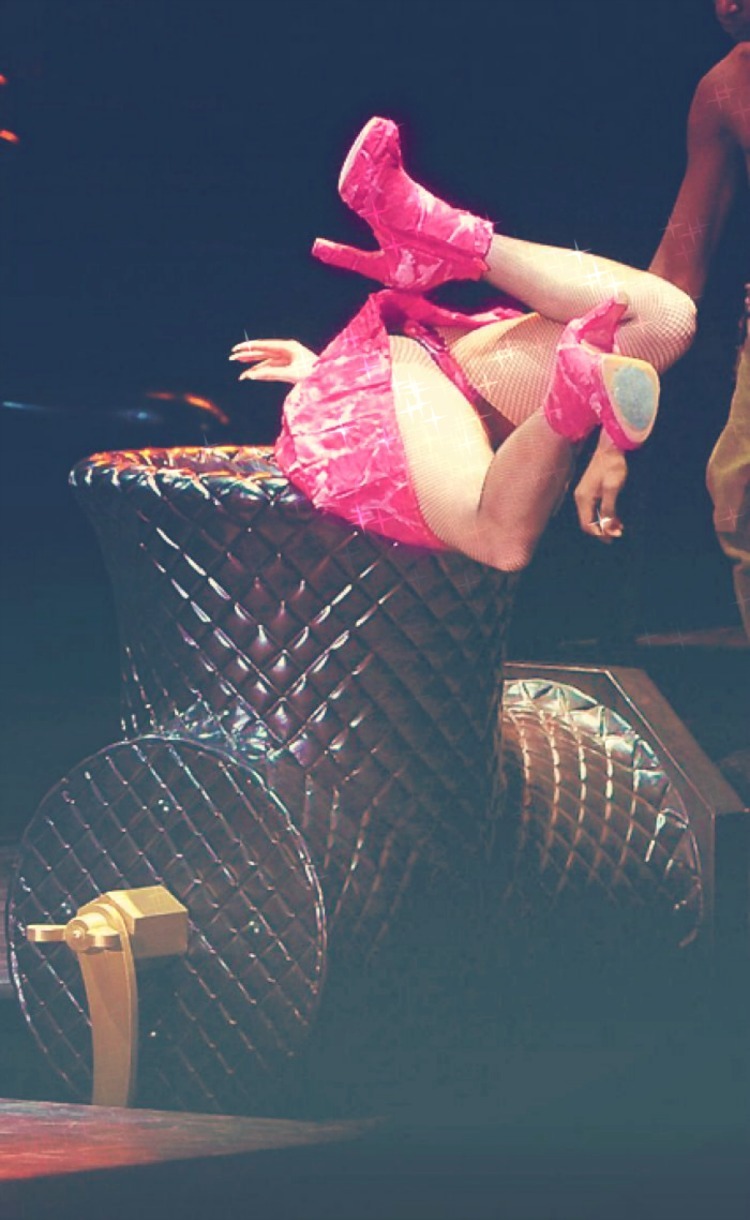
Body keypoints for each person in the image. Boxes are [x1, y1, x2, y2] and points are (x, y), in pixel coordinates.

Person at [231, 117, 696, 573]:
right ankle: (451, 245)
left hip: (441, 368)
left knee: (668, 319)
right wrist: (327, 374)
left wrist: (611, 446)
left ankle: (451, 236)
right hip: (422, 386)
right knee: (503, 541)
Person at [649, 0, 750, 637]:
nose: (726, 5)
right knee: (739, 499)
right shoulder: (728, 87)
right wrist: (614, 432)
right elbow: (674, 273)